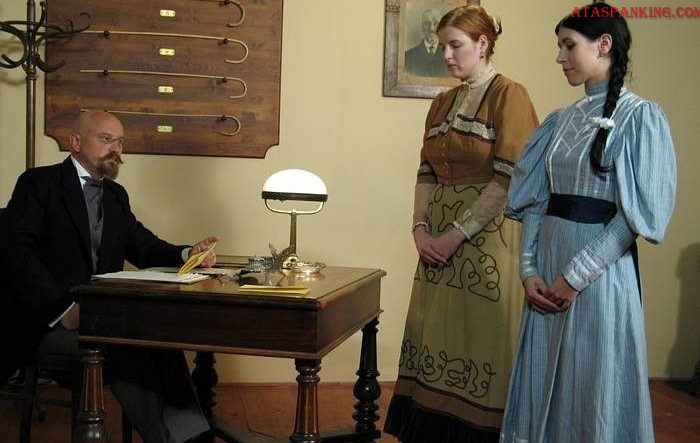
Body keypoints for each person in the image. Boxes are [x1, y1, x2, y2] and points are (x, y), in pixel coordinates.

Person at [500, 3, 676, 442]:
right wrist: (529, 270)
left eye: (569, 45)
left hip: (597, 274)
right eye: (559, 46)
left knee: (592, 383)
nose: (560, 57)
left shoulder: (640, 117)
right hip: (548, 272)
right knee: (544, 379)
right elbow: (538, 201)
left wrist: (574, 278)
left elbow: (632, 217)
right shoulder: (560, 121)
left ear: (604, 45)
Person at [0, 110, 220, 443]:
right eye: (105, 139)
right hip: (42, 323)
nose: (116, 149)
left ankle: (193, 437)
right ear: (75, 142)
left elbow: (144, 247)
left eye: (119, 142)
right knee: (127, 348)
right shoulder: (39, 183)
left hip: (99, 317)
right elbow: (16, 255)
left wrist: (188, 253)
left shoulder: (115, 195)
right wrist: (63, 309)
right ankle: (167, 439)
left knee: (162, 340)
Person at [385, 5, 538, 442]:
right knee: (434, 333)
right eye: (442, 47)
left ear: (483, 44)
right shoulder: (441, 103)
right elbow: (425, 171)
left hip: (487, 238)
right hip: (436, 240)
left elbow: (510, 177)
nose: (447, 56)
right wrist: (419, 230)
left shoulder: (510, 94)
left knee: (485, 337)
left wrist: (456, 235)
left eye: (456, 45)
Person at [404, 9, 448, 77]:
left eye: (436, 23)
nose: (431, 28)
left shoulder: (450, 55)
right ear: (422, 27)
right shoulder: (408, 56)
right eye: (427, 23)